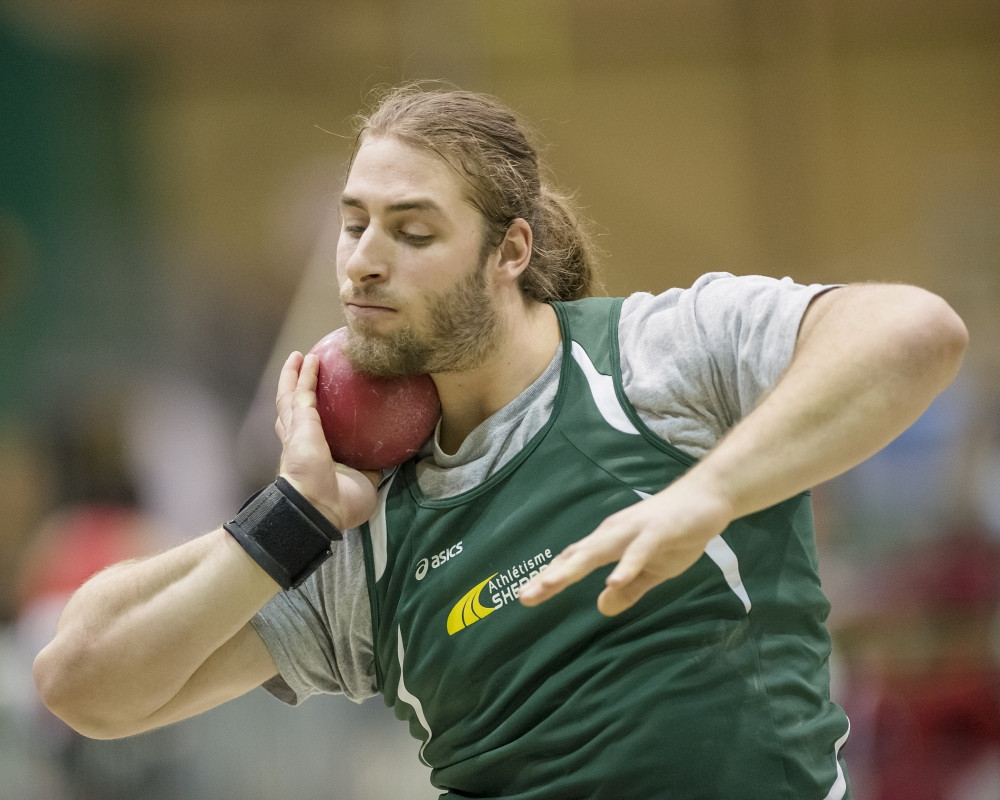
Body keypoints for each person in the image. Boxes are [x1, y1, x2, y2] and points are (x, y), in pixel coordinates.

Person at [33, 85, 968, 800]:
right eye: (353, 225)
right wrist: (293, 515)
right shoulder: (365, 529)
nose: (363, 261)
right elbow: (84, 684)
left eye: (412, 232)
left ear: (510, 252)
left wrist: (706, 494)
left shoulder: (653, 361)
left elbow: (916, 332)